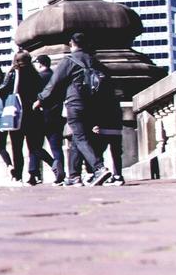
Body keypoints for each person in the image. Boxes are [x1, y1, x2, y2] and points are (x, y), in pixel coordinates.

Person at [40, 32, 116, 185]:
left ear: (71, 43)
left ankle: (99, 168)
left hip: (75, 103)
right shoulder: (94, 61)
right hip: (93, 105)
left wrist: (41, 99)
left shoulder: (69, 61)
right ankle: (74, 176)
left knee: (80, 137)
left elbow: (54, 84)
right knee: (77, 137)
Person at [9, 49, 49, 184]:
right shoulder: (35, 75)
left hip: (16, 114)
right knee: (33, 146)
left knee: (16, 147)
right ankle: (34, 174)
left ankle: (18, 175)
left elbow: (4, 90)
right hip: (33, 113)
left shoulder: (12, 74)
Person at [34, 54, 66, 184]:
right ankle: (61, 173)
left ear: (40, 64)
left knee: (35, 147)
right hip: (56, 115)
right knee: (56, 147)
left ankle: (53, 164)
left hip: (42, 117)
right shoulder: (55, 77)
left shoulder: (38, 78)